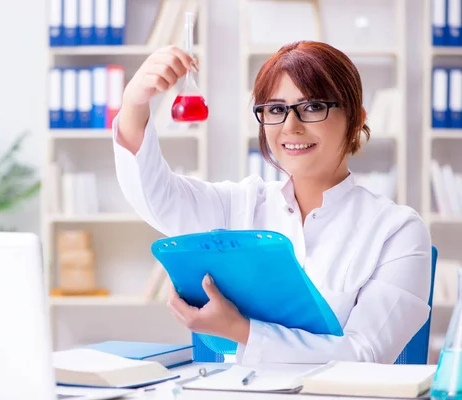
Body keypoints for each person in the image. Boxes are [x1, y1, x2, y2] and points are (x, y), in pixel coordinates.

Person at [112, 41, 432, 365]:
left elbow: (364, 355)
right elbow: (155, 195)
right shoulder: (240, 204)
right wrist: (135, 101)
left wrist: (242, 330)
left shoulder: (398, 231)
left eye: (312, 107)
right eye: (276, 110)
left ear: (356, 118)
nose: (291, 127)